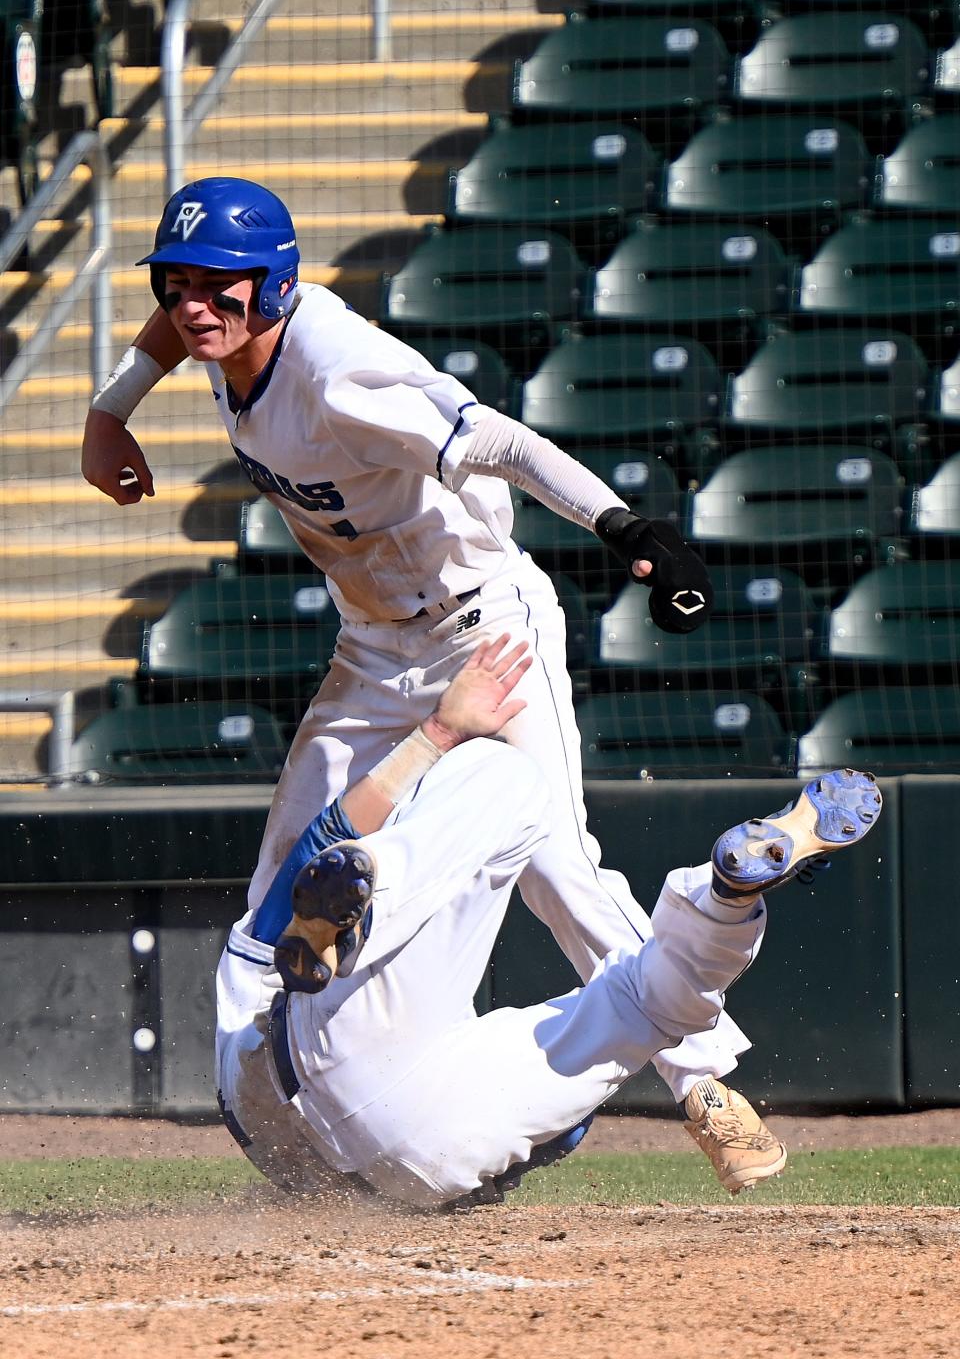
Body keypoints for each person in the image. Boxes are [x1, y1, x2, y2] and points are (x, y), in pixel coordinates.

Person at [84, 176, 776, 1191]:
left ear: (275, 288)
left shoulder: (339, 367)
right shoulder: (222, 328)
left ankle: (704, 1078)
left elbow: (496, 439)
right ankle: (277, 1122)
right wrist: (112, 408)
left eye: (220, 289)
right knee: (289, 863)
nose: (195, 307)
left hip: (479, 628)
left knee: (556, 867)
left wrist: (628, 528)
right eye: (177, 283)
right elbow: (176, 317)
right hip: (370, 646)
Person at [216, 634, 883, 1208]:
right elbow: (554, 1135)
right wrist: (445, 738)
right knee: (638, 995)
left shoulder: (249, 982)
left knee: (458, 818)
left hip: (284, 1076)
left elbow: (317, 850)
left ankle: (371, 899)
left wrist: (436, 736)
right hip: (419, 1155)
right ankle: (726, 900)